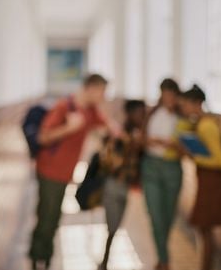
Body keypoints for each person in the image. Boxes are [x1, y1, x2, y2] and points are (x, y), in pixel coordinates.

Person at [29, 74, 116, 270]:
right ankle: (38, 258)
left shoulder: (90, 110)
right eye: (102, 91)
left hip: (65, 172)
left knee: (53, 216)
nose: (104, 96)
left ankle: (45, 256)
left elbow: (108, 126)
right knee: (47, 217)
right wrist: (69, 127)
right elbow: (43, 137)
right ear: (91, 88)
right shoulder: (63, 107)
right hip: (50, 170)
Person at [178, 85, 221, 270]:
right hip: (207, 181)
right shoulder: (202, 123)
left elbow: (220, 161)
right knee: (204, 229)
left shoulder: (207, 125)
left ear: (196, 104)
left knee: (205, 228)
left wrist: (193, 156)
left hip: (213, 183)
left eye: (185, 104)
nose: (183, 108)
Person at [141, 78, 187, 270]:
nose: (168, 98)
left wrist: (174, 145)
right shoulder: (152, 114)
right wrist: (149, 141)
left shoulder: (182, 119)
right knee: (155, 214)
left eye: (171, 95)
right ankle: (165, 261)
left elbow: (189, 149)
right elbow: (142, 139)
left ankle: (161, 257)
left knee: (168, 216)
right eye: (164, 94)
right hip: (151, 166)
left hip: (172, 167)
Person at [97, 100, 146, 270]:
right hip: (114, 185)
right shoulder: (120, 136)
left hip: (124, 187)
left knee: (116, 226)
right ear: (130, 114)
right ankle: (104, 262)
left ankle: (105, 260)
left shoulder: (138, 134)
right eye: (139, 113)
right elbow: (113, 162)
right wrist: (132, 144)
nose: (142, 117)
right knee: (112, 226)